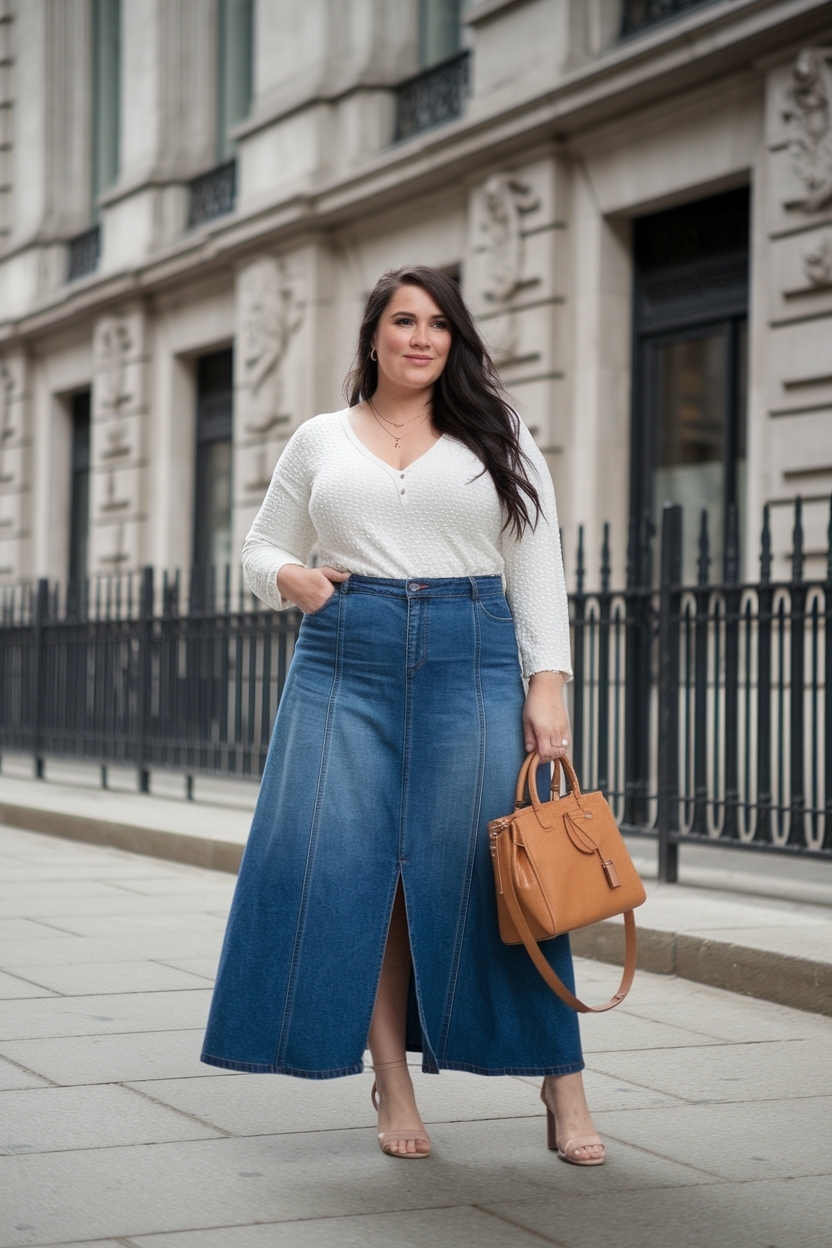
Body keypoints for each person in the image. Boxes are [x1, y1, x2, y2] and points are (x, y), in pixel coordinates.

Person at [201, 265, 604, 1165]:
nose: (422, 338)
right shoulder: (319, 439)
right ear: (374, 335)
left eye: (439, 325)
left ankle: (561, 1076)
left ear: (454, 342)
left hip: (472, 652)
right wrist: (292, 578)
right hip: (346, 656)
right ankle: (392, 1076)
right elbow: (260, 546)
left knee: (505, 869)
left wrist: (547, 683)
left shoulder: (496, 431)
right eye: (404, 321)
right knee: (355, 872)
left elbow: (537, 561)